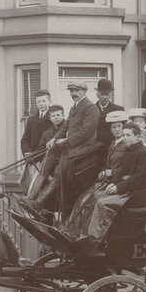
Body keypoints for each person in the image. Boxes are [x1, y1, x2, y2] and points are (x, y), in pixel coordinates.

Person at [79, 123, 146, 251]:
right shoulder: (131, 150)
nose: (124, 137)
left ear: (137, 137)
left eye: (128, 135)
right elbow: (122, 172)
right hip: (129, 190)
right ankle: (87, 234)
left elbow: (139, 178)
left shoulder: (144, 153)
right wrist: (114, 183)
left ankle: (94, 240)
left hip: (137, 195)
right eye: (124, 135)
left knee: (102, 203)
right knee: (95, 196)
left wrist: (118, 188)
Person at [46, 81, 101, 215]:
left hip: (84, 148)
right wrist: (54, 138)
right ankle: (38, 200)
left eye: (77, 91)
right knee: (50, 159)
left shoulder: (91, 108)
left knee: (62, 172)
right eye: (71, 91)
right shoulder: (73, 108)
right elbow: (65, 126)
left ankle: (42, 202)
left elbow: (86, 131)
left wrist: (66, 140)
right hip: (72, 147)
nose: (74, 94)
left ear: (84, 91)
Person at [24, 104, 66, 204]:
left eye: (58, 115)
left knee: (49, 172)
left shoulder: (67, 128)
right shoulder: (47, 133)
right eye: (53, 116)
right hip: (50, 165)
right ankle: (31, 199)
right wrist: (31, 157)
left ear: (63, 116)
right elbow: (40, 150)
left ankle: (36, 202)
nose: (56, 118)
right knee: (42, 171)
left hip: (64, 162)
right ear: (50, 118)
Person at [93, 78, 124, 166]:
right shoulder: (91, 109)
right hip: (95, 148)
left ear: (111, 94)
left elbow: (122, 129)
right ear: (97, 94)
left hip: (112, 147)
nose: (105, 97)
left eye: (107, 94)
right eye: (102, 94)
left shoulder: (118, 109)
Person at [20, 89, 54, 164]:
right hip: (33, 160)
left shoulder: (54, 118)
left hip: (48, 158)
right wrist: (27, 152)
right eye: (38, 101)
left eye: (43, 101)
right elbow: (25, 140)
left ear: (50, 101)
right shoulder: (31, 120)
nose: (41, 104)